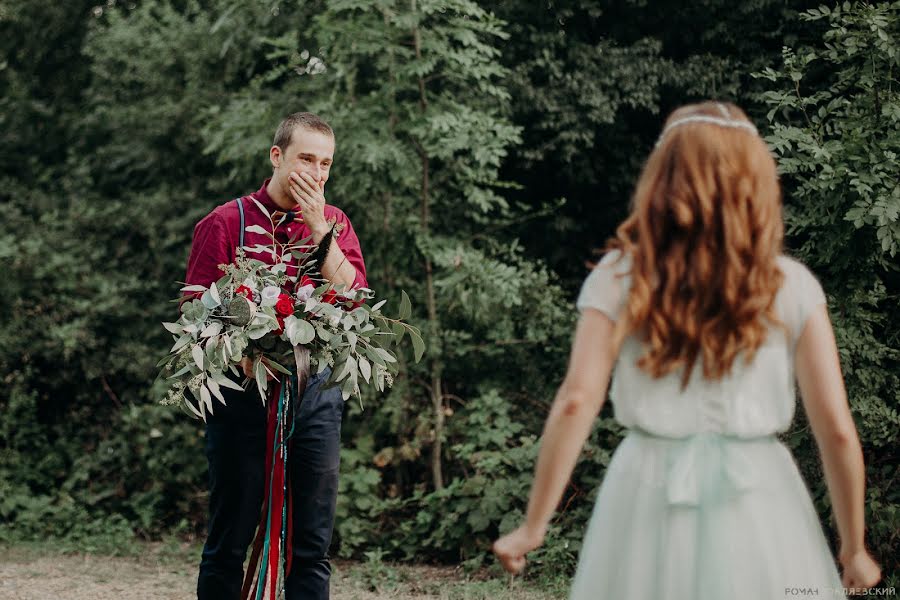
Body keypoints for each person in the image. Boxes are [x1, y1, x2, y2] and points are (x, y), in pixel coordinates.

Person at [492, 101, 881, 599]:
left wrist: (534, 526)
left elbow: (575, 401)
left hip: (646, 488)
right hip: (760, 495)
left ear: (661, 179)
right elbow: (838, 431)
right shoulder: (792, 286)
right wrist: (853, 548)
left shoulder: (618, 277)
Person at [184, 112, 368, 600]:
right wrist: (241, 352)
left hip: (317, 398)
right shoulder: (225, 222)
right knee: (229, 538)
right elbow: (194, 311)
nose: (317, 172)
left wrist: (317, 225)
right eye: (306, 158)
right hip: (241, 398)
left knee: (312, 543)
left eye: (326, 163)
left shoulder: (336, 224)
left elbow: (354, 299)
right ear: (277, 156)